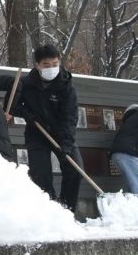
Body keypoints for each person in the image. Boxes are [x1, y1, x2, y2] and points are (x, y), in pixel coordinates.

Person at [7, 44, 84, 213]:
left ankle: (67, 209)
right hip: (37, 133)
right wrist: (28, 115)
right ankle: (50, 211)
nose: (52, 68)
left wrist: (66, 144)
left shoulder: (66, 86)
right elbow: (12, 106)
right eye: (46, 65)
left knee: (75, 169)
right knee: (40, 174)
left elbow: (69, 118)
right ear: (37, 65)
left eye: (55, 64)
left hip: (61, 133)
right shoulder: (26, 83)